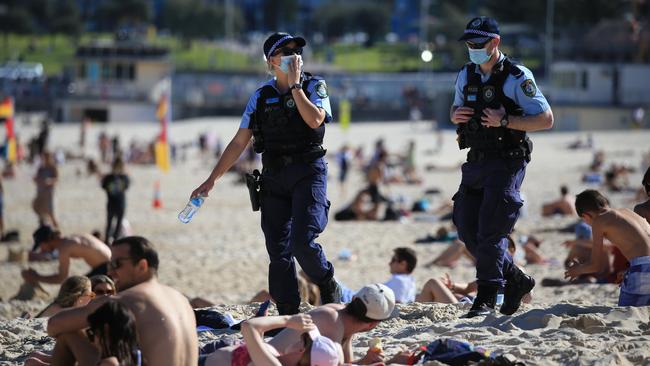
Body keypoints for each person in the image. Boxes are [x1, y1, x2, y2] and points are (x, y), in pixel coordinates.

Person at [190, 32, 340, 315]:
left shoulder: (314, 86)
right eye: (285, 51)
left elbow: (315, 120)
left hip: (307, 171)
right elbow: (238, 142)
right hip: (273, 176)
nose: (294, 54)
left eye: (297, 49)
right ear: (271, 60)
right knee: (278, 250)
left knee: (302, 242)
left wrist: (296, 86)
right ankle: (288, 312)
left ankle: (326, 282)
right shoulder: (260, 97)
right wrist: (211, 180)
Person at [449, 16, 554, 317]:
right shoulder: (465, 74)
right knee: (466, 227)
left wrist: (505, 120)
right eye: (469, 44)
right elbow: (454, 109)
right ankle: (517, 280)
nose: (472, 49)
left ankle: (486, 296)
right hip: (476, 161)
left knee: (493, 231)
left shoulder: (517, 77)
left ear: (494, 43)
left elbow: (546, 119)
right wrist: (457, 115)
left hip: (507, 160)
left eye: (478, 44)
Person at [46, 236, 198, 365]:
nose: (110, 271)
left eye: (116, 264)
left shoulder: (130, 299)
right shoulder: (181, 300)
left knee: (69, 335)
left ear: (142, 266)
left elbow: (54, 325)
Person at [268, 283, 396, 365]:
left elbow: (346, 363)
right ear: (372, 325)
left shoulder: (344, 318)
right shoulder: (332, 320)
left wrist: (365, 361)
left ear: (353, 299)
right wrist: (392, 361)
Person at [565, 190, 650, 306]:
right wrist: (629, 270)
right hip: (641, 266)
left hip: (642, 269)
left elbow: (595, 265)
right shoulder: (626, 212)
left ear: (585, 216)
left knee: (626, 312)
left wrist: (576, 270)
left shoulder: (599, 221)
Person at [200, 314, 342, 366]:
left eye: (304, 338)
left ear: (302, 350)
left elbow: (248, 326)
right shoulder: (277, 359)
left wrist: (288, 320)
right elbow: (254, 350)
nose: (299, 337)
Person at [25, 277, 95, 365]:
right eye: (91, 295)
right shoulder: (66, 314)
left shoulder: (55, 306)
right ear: (80, 297)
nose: (92, 299)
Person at [22, 226, 112, 287]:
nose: (41, 250)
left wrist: (36, 277)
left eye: (41, 246)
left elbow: (61, 278)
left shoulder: (64, 248)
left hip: (107, 268)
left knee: (76, 289)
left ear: (48, 240)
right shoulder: (71, 238)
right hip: (112, 262)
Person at [87, 300, 141, 366]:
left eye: (94, 332)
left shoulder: (109, 363)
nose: (93, 341)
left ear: (106, 329)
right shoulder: (137, 357)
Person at [101, 157, 130, 244]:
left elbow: (103, 186)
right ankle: (115, 241)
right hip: (120, 203)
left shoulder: (108, 177)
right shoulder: (124, 177)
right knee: (118, 223)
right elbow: (126, 187)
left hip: (111, 203)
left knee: (109, 223)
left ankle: (107, 240)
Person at [32, 151, 59, 228]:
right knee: (39, 210)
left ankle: (57, 231)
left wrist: (49, 181)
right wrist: (36, 180)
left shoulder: (53, 168)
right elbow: (37, 178)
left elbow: (56, 179)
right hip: (40, 192)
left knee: (51, 213)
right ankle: (44, 229)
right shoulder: (41, 168)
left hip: (49, 194)